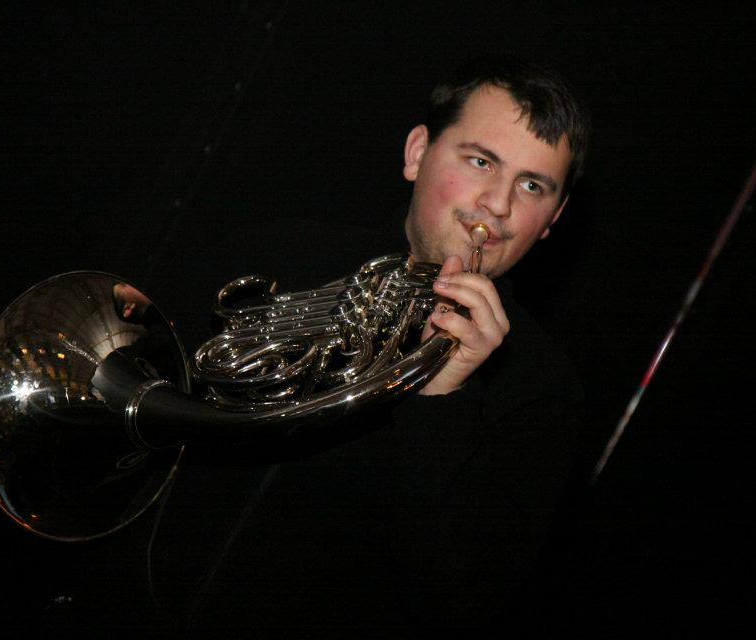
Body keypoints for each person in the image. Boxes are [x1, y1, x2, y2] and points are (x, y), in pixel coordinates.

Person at [148, 53, 591, 634]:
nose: (499, 205)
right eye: (481, 161)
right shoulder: (270, 255)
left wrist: (442, 397)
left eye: (532, 186)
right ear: (417, 154)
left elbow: (458, 603)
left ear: (554, 217)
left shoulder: (542, 390)